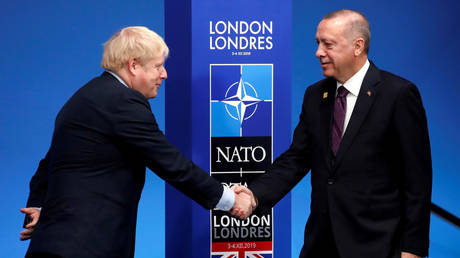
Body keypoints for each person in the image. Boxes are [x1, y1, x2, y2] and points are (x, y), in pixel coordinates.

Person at [20, 26, 255, 258]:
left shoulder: (85, 96)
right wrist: (229, 199)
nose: (164, 74)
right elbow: (169, 162)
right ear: (133, 66)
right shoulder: (122, 101)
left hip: (54, 244)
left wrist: (38, 208)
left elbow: (48, 165)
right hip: (87, 246)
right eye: (157, 66)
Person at [233, 9, 432, 258]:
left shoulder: (398, 94)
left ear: (357, 46)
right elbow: (297, 158)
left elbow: (417, 180)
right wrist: (254, 194)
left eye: (328, 44)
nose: (318, 52)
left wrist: (413, 249)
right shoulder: (315, 95)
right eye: (318, 43)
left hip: (377, 243)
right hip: (321, 242)